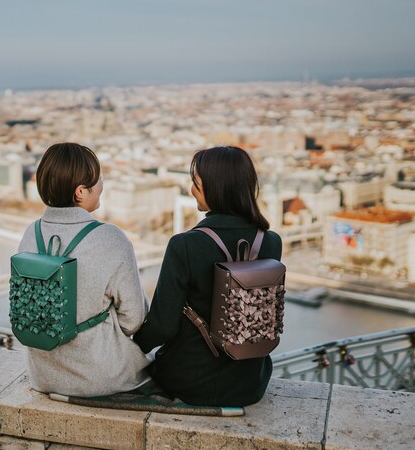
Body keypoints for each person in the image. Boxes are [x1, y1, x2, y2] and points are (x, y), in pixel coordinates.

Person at [133, 146, 282, 407]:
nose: (191, 189)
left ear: (216, 187)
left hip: (192, 381)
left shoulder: (185, 245)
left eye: (196, 183)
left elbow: (162, 327)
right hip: (251, 381)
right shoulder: (271, 242)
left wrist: (132, 344)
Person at [17, 142, 150, 397]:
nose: (102, 185)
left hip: (43, 376)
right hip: (99, 376)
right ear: (80, 192)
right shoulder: (110, 239)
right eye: (98, 179)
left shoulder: (30, 234)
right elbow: (133, 321)